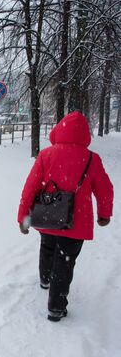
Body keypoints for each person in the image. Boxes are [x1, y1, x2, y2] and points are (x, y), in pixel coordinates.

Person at [18, 111, 113, 322]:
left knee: (47, 246)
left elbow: (30, 187)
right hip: (76, 221)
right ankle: (56, 307)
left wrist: (23, 216)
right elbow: (105, 189)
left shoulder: (46, 155)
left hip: (49, 214)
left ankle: (44, 279)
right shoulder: (91, 159)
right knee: (65, 261)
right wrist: (104, 214)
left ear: (59, 130)